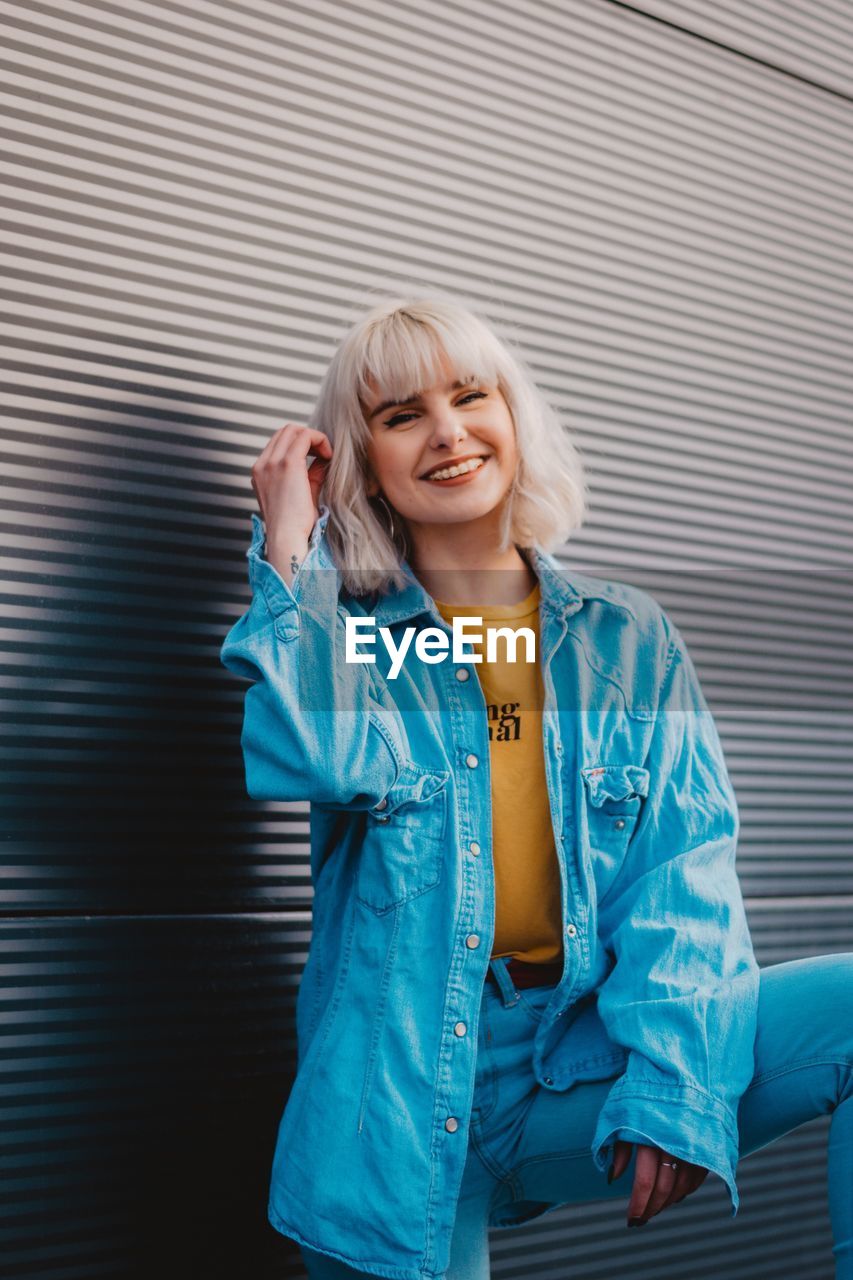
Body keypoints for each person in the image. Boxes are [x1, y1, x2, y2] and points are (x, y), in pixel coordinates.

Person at [220, 293, 853, 1280]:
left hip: (574, 1058)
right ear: (365, 463)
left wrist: (678, 1084)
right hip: (393, 1093)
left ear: (512, 416)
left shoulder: (621, 639)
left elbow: (678, 874)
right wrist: (292, 549)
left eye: (470, 395)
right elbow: (309, 749)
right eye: (399, 416)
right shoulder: (355, 638)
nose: (446, 432)